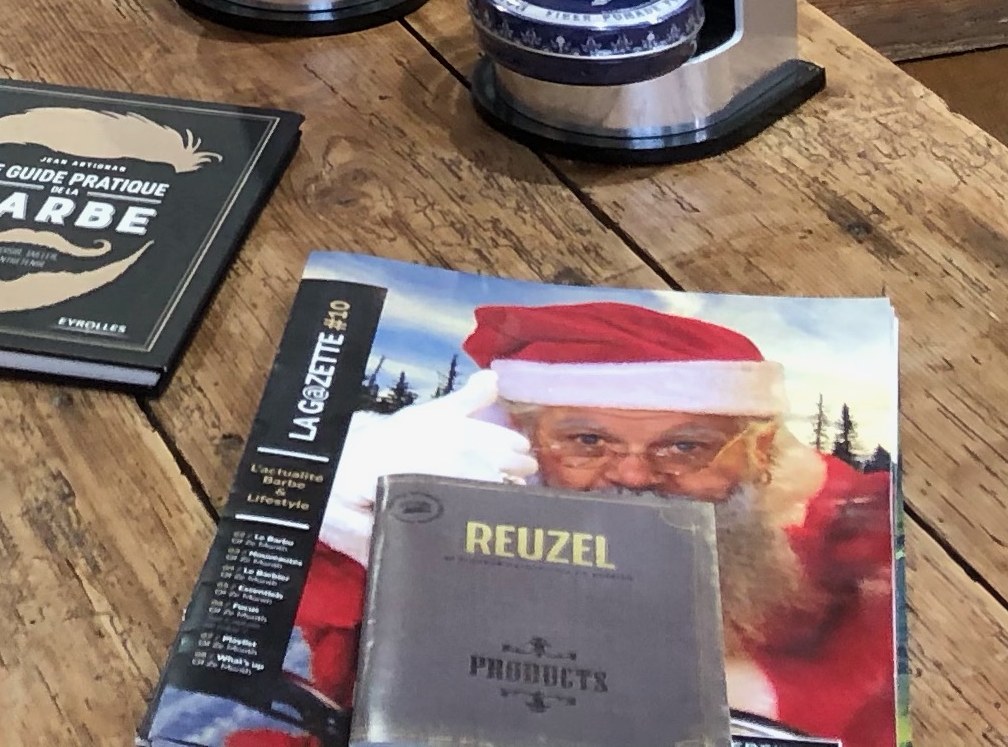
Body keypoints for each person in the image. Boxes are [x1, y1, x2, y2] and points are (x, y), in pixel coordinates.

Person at [291, 299, 897, 747]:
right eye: (587, 440)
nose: (632, 476)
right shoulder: (479, 511)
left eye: (684, 446)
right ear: (528, 439)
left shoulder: (851, 533)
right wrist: (329, 507)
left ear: (758, 454)